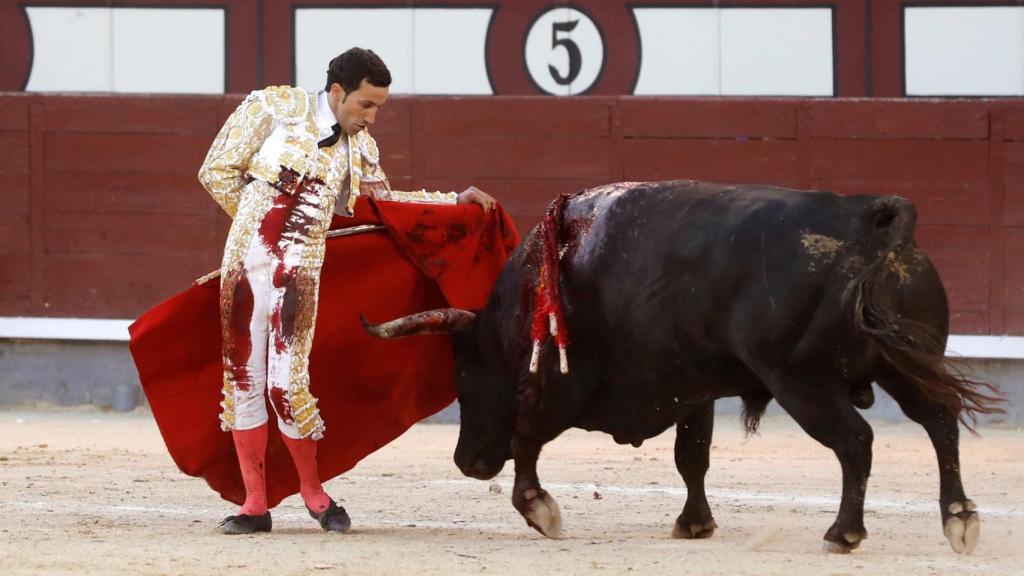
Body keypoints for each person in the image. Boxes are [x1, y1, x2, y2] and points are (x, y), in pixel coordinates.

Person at [197, 47, 496, 534]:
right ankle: (255, 505)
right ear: (337, 92)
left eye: (378, 107)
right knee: (243, 380)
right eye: (366, 104)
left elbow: (385, 205)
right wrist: (255, 222)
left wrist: (451, 202)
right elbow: (216, 170)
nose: (371, 117)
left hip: (298, 273)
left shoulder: (361, 149)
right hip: (245, 265)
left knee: (286, 384)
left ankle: (314, 495)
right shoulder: (271, 107)